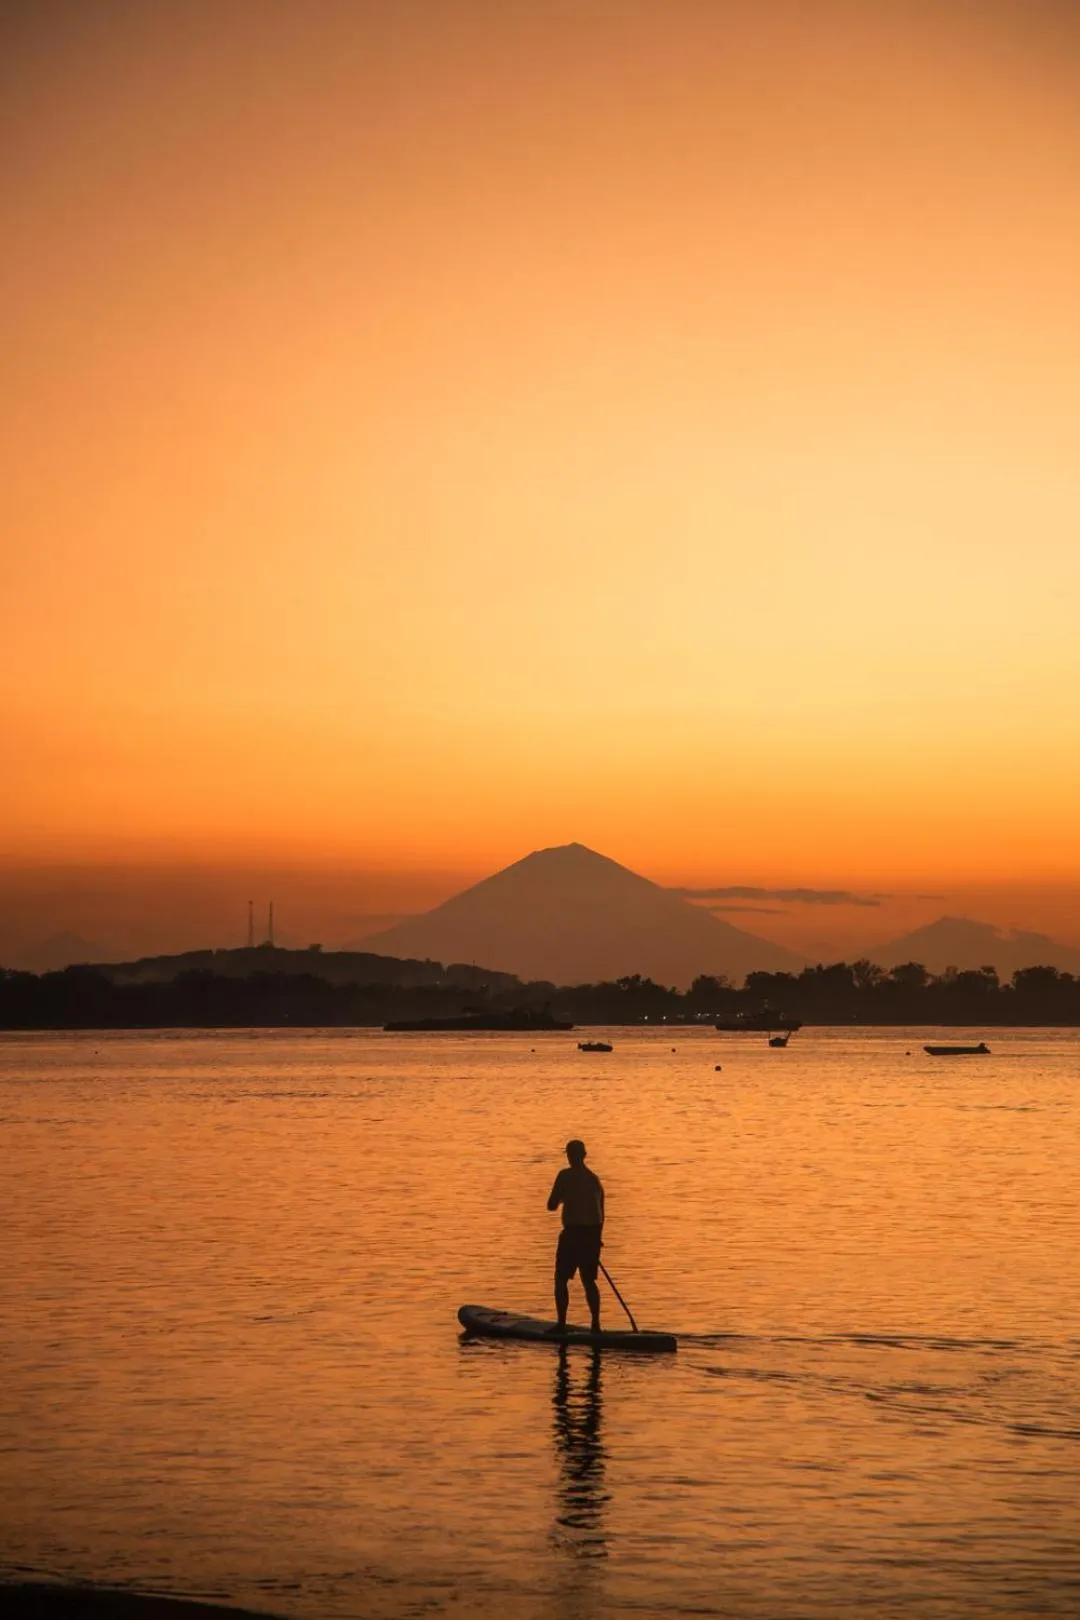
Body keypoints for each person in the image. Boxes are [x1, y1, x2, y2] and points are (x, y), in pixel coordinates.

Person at [547, 1139, 605, 1332]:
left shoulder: (564, 1176)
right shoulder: (594, 1179)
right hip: (592, 1236)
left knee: (561, 1278)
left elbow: (551, 1205)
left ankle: (561, 1324)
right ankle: (595, 1324)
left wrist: (565, 1198)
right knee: (589, 1281)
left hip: (572, 1235)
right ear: (585, 1156)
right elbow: (601, 1213)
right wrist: (597, 1239)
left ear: (569, 1156)